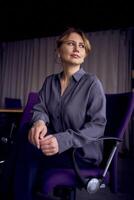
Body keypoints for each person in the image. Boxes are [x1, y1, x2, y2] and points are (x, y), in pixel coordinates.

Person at [1, 27, 107, 200]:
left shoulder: (92, 83)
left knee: (27, 148)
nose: (76, 49)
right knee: (25, 136)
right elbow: (40, 108)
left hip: (80, 153)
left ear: (85, 54)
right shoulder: (50, 81)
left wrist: (62, 140)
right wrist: (39, 122)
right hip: (54, 147)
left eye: (81, 46)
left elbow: (98, 126)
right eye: (71, 44)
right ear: (59, 50)